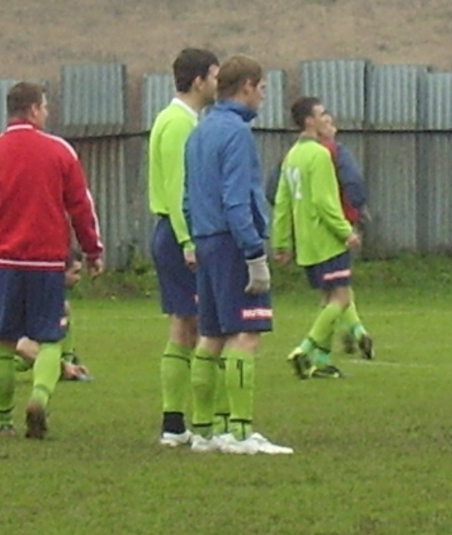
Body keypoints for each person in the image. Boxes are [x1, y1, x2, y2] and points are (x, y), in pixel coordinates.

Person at [0, 81, 104, 439]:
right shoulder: (60, 152)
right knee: (50, 339)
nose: (48, 113)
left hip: (5, 265)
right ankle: (39, 398)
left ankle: (4, 421)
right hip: (47, 265)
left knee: (4, 343)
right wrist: (93, 251)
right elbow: (81, 207)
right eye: (46, 107)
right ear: (35, 109)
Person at [184, 55, 292, 455]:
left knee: (211, 334)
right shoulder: (236, 134)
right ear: (246, 86)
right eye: (261, 87)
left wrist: (195, 239)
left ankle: (203, 431)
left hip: (207, 241)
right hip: (232, 243)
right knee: (246, 333)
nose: (263, 95)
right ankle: (241, 433)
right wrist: (253, 253)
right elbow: (236, 200)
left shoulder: (199, 131)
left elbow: (187, 196)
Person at [148, 48, 221, 447]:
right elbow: (178, 190)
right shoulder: (179, 124)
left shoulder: (180, 119)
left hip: (175, 233)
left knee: (188, 325)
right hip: (180, 234)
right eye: (214, 76)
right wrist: (189, 240)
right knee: (195, 325)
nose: (217, 83)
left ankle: (177, 423)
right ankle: (189, 422)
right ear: (198, 81)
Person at [265, 112, 374, 360]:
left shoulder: (291, 155)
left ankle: (323, 360)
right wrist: (348, 228)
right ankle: (306, 348)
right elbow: (327, 200)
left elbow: (279, 198)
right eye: (325, 118)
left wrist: (281, 241)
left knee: (329, 297)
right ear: (309, 121)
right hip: (329, 238)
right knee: (342, 296)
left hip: (306, 241)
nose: (331, 125)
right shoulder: (324, 153)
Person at [0, 251, 91, 382]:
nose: (79, 278)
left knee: (43, 348)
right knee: (32, 352)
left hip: (15, 327)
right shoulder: (39, 287)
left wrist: (70, 361)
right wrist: (63, 367)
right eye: (75, 272)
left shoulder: (54, 292)